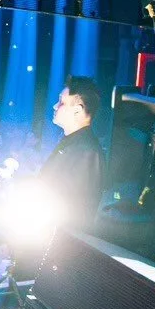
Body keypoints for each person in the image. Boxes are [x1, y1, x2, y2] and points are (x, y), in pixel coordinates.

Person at [41, 75, 106, 228]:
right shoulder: (72, 144)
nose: (55, 106)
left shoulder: (87, 152)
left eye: (61, 102)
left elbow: (75, 210)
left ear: (77, 110)